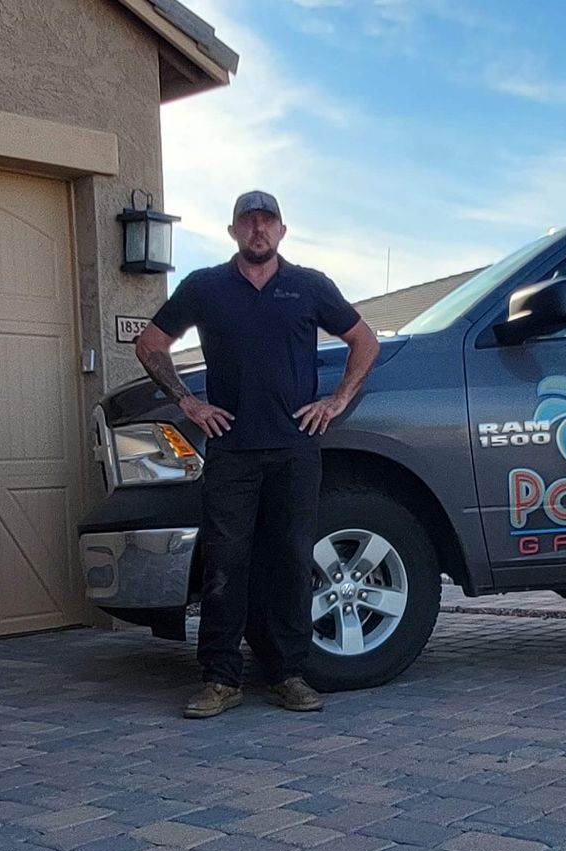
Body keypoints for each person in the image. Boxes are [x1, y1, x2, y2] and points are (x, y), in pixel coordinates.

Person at [133, 190, 381, 719]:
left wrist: (336, 401)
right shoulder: (205, 287)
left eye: (267, 222)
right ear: (233, 232)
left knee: (291, 560)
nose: (259, 231)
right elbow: (151, 342)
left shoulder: (309, 286)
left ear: (282, 231)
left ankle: (288, 673)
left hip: (295, 450)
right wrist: (188, 402)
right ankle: (221, 679)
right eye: (249, 222)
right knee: (226, 563)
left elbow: (364, 339)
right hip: (233, 453)